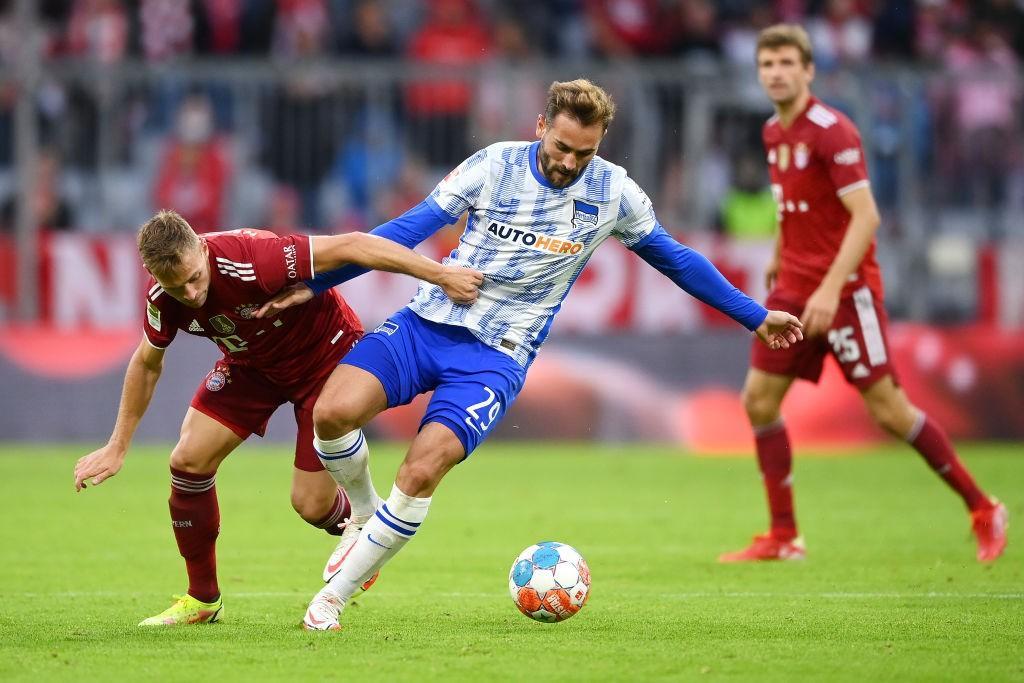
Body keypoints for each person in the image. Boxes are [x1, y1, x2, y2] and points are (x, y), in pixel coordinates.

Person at [257, 78, 804, 631]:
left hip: (497, 356)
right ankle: (364, 514)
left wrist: (756, 317)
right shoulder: (495, 164)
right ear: (541, 127)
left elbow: (677, 260)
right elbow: (406, 229)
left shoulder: (614, 194)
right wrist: (322, 280)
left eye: (584, 153)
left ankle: (333, 598)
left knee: (422, 470)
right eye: (561, 147)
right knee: (331, 413)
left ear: (600, 144)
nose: (569, 162)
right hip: (427, 323)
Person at [72, 209, 483, 626]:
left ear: (201, 247)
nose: (191, 294)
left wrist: (439, 275)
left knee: (309, 504)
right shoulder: (162, 297)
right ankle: (203, 600)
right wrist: (117, 445)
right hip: (253, 366)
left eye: (195, 278)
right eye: (177, 287)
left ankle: (361, 527)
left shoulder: (252, 258)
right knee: (187, 460)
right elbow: (146, 363)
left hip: (325, 360)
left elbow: (356, 245)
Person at [718, 24, 1007, 564]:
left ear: (808, 70)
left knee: (890, 413)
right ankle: (785, 536)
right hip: (795, 289)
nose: (776, 73)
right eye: (767, 64)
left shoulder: (833, 131)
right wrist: (783, 253)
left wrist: (829, 289)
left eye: (786, 63)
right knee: (758, 400)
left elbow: (866, 216)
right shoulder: (773, 133)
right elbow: (794, 204)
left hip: (845, 295)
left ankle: (983, 506)